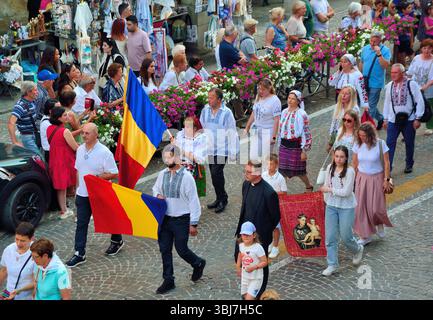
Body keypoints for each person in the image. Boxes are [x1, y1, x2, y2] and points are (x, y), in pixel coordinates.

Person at [65, 123, 122, 268]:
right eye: (83, 133)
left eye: (87, 133)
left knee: (108, 219)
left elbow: (114, 173)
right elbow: (79, 171)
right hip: (83, 195)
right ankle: (79, 253)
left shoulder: (104, 152)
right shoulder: (80, 150)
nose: (83, 135)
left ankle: (117, 240)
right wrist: (78, 191)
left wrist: (97, 177)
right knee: (81, 223)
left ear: (96, 135)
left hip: (99, 193)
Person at [152, 145, 206, 294]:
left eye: (169, 157)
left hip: (182, 219)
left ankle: (198, 263)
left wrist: (193, 223)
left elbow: (193, 201)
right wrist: (157, 195)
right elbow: (155, 188)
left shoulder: (187, 177)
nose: (166, 160)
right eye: (165, 157)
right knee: (165, 249)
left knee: (181, 249)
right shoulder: (162, 174)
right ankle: (168, 279)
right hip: (165, 219)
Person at [235, 160, 280, 299]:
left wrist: (263, 233)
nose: (246, 174)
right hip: (244, 234)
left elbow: (275, 217)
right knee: (244, 258)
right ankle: (248, 287)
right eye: (246, 171)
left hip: (260, 237)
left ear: (258, 173)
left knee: (261, 263)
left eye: (249, 172)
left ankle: (259, 292)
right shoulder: (246, 184)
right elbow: (245, 208)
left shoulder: (269, 193)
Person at [319, 146, 364, 276]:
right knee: (330, 237)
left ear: (346, 158)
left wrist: (330, 190)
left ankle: (357, 249)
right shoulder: (330, 168)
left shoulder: (350, 171)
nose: (338, 159)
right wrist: (326, 197)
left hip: (346, 207)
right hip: (331, 205)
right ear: (334, 156)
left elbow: (347, 192)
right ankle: (332, 264)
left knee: (346, 236)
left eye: (341, 157)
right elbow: (327, 184)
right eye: (336, 156)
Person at [352, 122, 393, 245]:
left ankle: (379, 223)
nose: (362, 138)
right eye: (360, 136)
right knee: (361, 208)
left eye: (364, 136)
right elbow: (354, 163)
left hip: (377, 178)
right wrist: (351, 179)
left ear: (370, 135)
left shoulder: (380, 144)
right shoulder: (357, 144)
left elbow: (386, 162)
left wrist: (386, 179)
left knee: (376, 208)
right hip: (362, 178)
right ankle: (365, 236)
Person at [200, 88, 239, 214]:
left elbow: (232, 132)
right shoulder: (205, 110)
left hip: (223, 149)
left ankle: (223, 199)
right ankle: (219, 197)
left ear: (219, 99)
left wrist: (234, 151)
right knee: (213, 174)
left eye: (211, 97)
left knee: (217, 172)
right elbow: (202, 127)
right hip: (210, 148)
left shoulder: (227, 113)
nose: (209, 99)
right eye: (208, 97)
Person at [383, 63, 425, 173]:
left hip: (409, 120)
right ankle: (388, 168)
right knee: (389, 144)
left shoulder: (412, 84)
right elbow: (386, 103)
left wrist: (418, 118)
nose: (393, 75)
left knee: (409, 143)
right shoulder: (389, 86)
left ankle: (409, 163)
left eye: (395, 72)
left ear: (402, 73)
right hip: (393, 120)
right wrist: (385, 119)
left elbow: (419, 101)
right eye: (391, 72)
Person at [47, 106, 79, 220]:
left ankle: (64, 210)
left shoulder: (49, 128)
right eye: (64, 115)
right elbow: (75, 147)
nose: (67, 117)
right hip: (65, 161)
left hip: (55, 160)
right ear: (59, 118)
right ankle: (77, 209)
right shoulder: (65, 131)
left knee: (61, 187)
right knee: (76, 184)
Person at [278, 90, 314, 191]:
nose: (290, 100)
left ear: (298, 101)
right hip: (284, 145)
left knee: (300, 171)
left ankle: (308, 186)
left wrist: (303, 150)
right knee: (282, 170)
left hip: (295, 146)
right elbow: (281, 130)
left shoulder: (302, 114)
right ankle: (282, 191)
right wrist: (279, 144)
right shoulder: (284, 111)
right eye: (289, 98)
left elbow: (305, 132)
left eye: (293, 99)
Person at [359, 30, 391, 130]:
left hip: (376, 83)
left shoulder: (385, 50)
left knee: (370, 106)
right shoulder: (365, 49)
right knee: (367, 104)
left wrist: (379, 54)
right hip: (365, 81)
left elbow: (385, 66)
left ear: (380, 41)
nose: (372, 44)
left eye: (375, 42)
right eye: (371, 41)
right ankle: (380, 118)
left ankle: (366, 128)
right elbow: (362, 62)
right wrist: (359, 76)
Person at [244, 78, 281, 161]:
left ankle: (266, 173)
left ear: (269, 88)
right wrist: (247, 127)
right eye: (259, 89)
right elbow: (254, 113)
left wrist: (274, 137)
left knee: (265, 158)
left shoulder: (275, 100)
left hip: (268, 131)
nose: (260, 91)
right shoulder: (258, 97)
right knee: (253, 157)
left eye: (263, 89)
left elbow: (277, 120)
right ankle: (257, 172)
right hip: (256, 130)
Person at [173, 116, 208, 197]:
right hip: (179, 166)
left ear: (195, 128)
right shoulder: (181, 136)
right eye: (185, 126)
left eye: (188, 127)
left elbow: (198, 159)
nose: (185, 129)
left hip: (193, 168)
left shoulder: (200, 139)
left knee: (190, 194)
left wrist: (181, 150)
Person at [0, 222, 36, 300]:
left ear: (32, 238)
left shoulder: (36, 254)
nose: (18, 243)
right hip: (8, 292)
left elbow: (36, 282)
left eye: (23, 241)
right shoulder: (9, 250)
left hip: (26, 297)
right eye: (16, 239)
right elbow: (4, 270)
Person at [262, 154, 287, 259]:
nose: (269, 166)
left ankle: (276, 246)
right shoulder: (263, 175)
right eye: (267, 164)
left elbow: (284, 192)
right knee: (267, 226)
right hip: (265, 205)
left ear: (276, 165)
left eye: (271, 164)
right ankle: (271, 243)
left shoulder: (280, 178)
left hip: (275, 205)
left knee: (275, 227)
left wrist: (273, 193)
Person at [236, 221, 268, 300]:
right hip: (245, 277)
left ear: (254, 235)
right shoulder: (241, 245)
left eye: (248, 234)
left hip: (256, 278)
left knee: (249, 299)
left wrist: (254, 267)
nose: (246, 236)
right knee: (244, 296)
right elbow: (240, 255)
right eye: (244, 234)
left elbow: (265, 262)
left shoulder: (258, 248)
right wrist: (238, 267)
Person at [407, 39, 433, 134]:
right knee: (413, 107)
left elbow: (432, 79)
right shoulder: (417, 58)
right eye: (424, 48)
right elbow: (410, 72)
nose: (426, 50)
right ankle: (411, 127)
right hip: (415, 87)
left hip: (428, 89)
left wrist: (424, 88)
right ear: (421, 48)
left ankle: (430, 126)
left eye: (429, 48)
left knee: (429, 106)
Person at [8, 81, 41, 155]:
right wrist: (15, 141)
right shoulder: (20, 106)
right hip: (27, 137)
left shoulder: (32, 101)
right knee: (37, 158)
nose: (37, 92)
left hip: (34, 134)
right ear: (28, 92)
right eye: (35, 90)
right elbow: (11, 123)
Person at [327, 85, 361, 152]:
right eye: (342, 93)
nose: (343, 96)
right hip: (337, 134)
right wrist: (331, 139)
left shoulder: (354, 109)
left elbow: (357, 125)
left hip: (348, 135)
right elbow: (334, 122)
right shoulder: (338, 106)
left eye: (346, 94)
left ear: (351, 96)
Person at [40, 99, 60, 163]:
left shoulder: (50, 119)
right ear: (50, 111)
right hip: (51, 153)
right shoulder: (47, 123)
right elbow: (62, 137)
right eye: (58, 108)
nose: (61, 110)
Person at [397, 2, 415, 66]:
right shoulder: (400, 17)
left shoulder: (407, 17)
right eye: (408, 8)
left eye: (411, 7)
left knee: (403, 53)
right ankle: (405, 66)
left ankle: (404, 66)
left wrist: (412, 40)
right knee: (404, 53)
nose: (410, 9)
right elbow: (410, 30)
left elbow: (410, 30)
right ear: (403, 10)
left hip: (405, 39)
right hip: (402, 39)